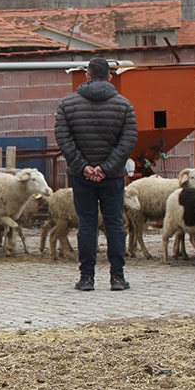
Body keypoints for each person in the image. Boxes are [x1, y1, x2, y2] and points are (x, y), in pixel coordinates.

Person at [54, 57, 138, 292]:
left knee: (87, 224)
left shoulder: (67, 105)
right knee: (114, 224)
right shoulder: (124, 105)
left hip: (82, 177)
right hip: (112, 177)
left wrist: (84, 167)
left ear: (87, 75)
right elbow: (129, 139)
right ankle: (117, 278)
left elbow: (63, 138)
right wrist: (107, 167)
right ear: (110, 77)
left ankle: (87, 278)